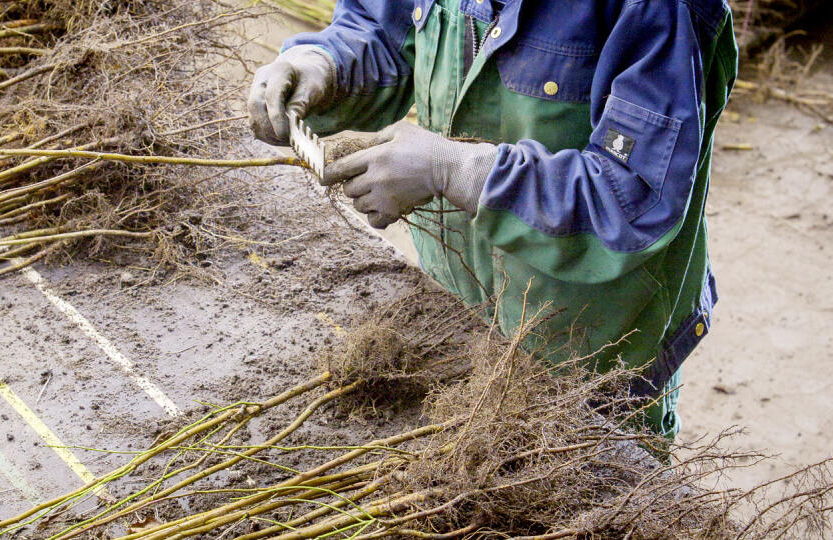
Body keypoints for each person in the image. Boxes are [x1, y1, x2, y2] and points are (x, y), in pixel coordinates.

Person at [248, 0, 738, 437]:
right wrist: (324, 64)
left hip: (589, 354)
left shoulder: (662, 9)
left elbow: (630, 200)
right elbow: (382, 28)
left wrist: (455, 169)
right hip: (457, 310)